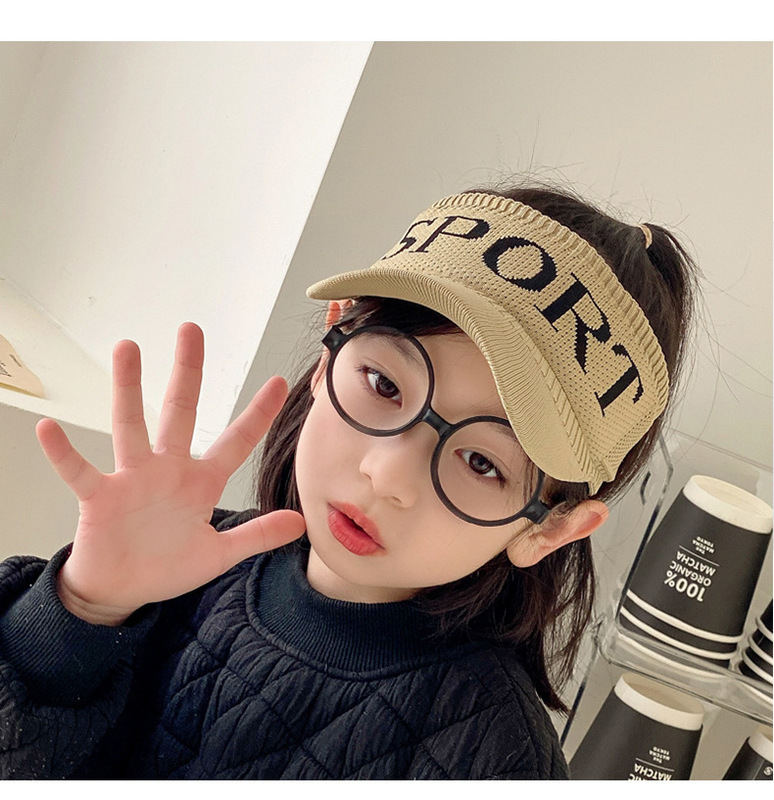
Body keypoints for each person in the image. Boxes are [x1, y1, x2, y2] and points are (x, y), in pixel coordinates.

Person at [0, 181, 696, 779]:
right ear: (330, 348)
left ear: (552, 529)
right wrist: (79, 611)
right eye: (384, 384)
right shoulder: (176, 566)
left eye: (482, 462)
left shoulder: (495, 758)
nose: (386, 473)